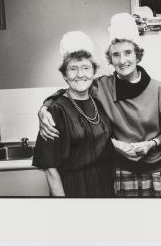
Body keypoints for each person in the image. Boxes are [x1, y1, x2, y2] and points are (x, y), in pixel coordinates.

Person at [38, 13, 161, 197]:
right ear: (110, 59)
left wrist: (151, 144)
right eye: (116, 55)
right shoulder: (102, 87)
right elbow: (73, 89)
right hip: (123, 174)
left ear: (137, 55)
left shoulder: (157, 90)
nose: (123, 61)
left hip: (159, 172)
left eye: (128, 53)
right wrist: (45, 107)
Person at [32, 31, 115, 197]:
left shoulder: (98, 102)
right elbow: (50, 169)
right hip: (74, 189)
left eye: (86, 68)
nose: (80, 75)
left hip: (103, 185)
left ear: (93, 72)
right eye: (73, 69)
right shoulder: (55, 110)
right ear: (64, 74)